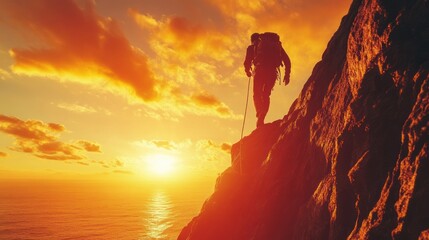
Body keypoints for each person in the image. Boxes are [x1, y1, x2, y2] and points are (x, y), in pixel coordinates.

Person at [244, 32, 291, 127]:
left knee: (256, 93)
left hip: (259, 71)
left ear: (252, 40)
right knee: (266, 94)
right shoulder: (276, 45)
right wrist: (287, 74)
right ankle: (262, 116)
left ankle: (259, 112)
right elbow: (287, 60)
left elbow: (247, 62)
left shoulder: (251, 47)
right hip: (272, 72)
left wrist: (248, 71)